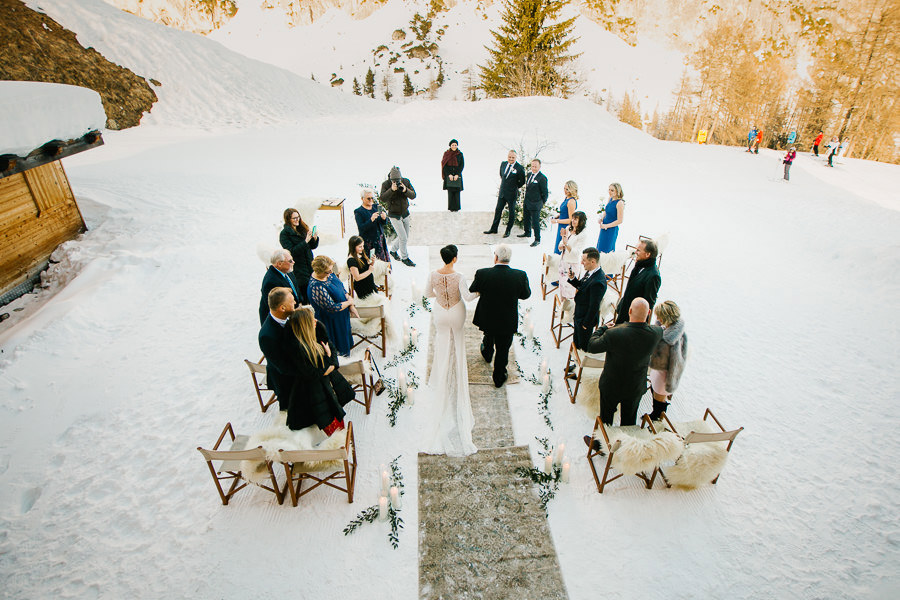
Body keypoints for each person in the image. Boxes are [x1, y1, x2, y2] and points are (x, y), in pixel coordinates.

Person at [424, 244, 479, 456]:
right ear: (454, 258)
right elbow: (468, 297)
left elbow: (428, 293)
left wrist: (440, 295)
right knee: (458, 341)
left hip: (440, 311)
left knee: (441, 342)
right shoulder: (460, 276)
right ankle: (456, 371)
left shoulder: (432, 274)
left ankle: (440, 373)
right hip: (456, 311)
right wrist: (480, 289)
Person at [585, 298, 663, 427]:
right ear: (649, 312)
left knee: (606, 419)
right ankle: (625, 444)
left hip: (611, 385)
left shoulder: (614, 333)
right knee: (629, 422)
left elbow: (592, 346)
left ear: (630, 311)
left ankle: (601, 444)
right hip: (635, 386)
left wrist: (602, 328)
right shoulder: (656, 333)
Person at [285, 307, 354, 435]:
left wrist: (331, 364)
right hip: (315, 391)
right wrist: (328, 360)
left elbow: (331, 349)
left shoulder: (317, 331)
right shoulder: (298, 349)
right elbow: (313, 373)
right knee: (330, 420)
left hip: (330, 382)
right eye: (312, 319)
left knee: (338, 411)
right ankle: (340, 446)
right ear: (305, 325)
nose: (316, 321)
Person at [470, 244, 531, 387]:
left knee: (489, 335)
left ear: (496, 257)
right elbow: (525, 295)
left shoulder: (482, 273)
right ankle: (499, 376)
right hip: (507, 320)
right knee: (503, 349)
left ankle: (487, 353)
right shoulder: (520, 275)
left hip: (488, 317)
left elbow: (473, 289)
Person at [307, 255, 357, 357]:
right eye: (327, 271)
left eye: (331, 270)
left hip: (342, 318)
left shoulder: (328, 274)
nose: (331, 273)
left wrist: (350, 303)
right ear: (318, 271)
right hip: (331, 323)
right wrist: (349, 302)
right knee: (337, 351)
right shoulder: (316, 287)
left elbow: (341, 288)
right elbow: (332, 307)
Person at [646, 300, 688, 422]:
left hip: (664, 375)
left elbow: (674, 362)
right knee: (655, 392)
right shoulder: (670, 328)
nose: (657, 318)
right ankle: (656, 413)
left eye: (659, 316)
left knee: (659, 397)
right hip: (657, 370)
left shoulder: (669, 341)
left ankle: (657, 417)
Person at [258, 287, 297, 411]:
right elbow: (283, 367)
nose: (295, 303)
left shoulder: (286, 317)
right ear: (282, 308)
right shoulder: (267, 335)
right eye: (292, 302)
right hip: (285, 382)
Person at [566, 247, 607, 353]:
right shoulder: (591, 271)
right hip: (579, 314)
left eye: (584, 260)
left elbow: (594, 305)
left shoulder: (598, 282)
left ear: (593, 261)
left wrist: (585, 324)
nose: (581, 262)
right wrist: (573, 279)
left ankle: (580, 365)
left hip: (585, 319)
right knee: (576, 341)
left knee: (583, 346)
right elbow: (583, 287)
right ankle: (575, 361)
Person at [615, 239, 661, 325]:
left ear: (647, 254)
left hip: (632, 321)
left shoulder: (653, 276)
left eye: (638, 250)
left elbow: (648, 304)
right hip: (624, 312)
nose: (635, 252)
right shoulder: (639, 265)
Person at [279, 208, 319, 304]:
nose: (297, 220)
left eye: (298, 217)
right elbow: (291, 252)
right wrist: (305, 241)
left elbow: (312, 246)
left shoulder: (302, 229)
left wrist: (314, 238)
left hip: (309, 265)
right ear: (288, 219)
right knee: (305, 294)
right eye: (294, 218)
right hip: (299, 268)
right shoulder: (284, 234)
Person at [484, 149, 526, 237]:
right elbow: (502, 175)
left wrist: (514, 187)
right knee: (498, 210)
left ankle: (508, 231)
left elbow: (522, 181)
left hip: (512, 194)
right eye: (509, 157)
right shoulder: (503, 164)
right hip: (502, 192)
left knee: (511, 213)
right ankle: (494, 229)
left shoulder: (519, 168)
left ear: (516, 158)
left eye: (513, 157)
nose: (511, 159)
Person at [380, 166, 417, 267]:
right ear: (391, 179)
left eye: (398, 180)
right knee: (403, 237)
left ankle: (393, 251)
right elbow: (382, 198)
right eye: (394, 181)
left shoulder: (406, 181)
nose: (396, 182)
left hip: (405, 213)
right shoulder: (386, 185)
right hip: (394, 215)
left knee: (405, 236)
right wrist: (391, 190)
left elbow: (413, 195)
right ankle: (405, 258)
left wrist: (405, 190)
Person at [258, 249, 300, 325]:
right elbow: (276, 308)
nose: (293, 262)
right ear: (279, 264)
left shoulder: (287, 271)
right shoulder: (271, 282)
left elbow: (296, 289)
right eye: (290, 261)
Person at [556, 211, 588, 296]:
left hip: (572, 264)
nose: (573, 221)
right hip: (563, 261)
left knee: (569, 288)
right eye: (573, 218)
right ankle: (562, 304)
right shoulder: (568, 228)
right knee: (562, 285)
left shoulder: (583, 235)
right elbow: (562, 241)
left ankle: (568, 307)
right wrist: (561, 245)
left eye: (576, 219)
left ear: (581, 221)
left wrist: (566, 244)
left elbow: (576, 252)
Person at [517, 158, 548, 247]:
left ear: (539, 167)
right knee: (526, 218)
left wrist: (541, 203)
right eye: (532, 166)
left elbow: (545, 193)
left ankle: (537, 239)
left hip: (536, 203)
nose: (533, 168)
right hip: (527, 201)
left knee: (535, 222)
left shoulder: (542, 178)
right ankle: (527, 233)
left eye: (535, 166)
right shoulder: (529, 174)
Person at [353, 187, 390, 263]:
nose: (371, 200)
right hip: (369, 242)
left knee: (382, 263)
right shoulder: (359, 212)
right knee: (371, 263)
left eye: (372, 198)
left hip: (379, 239)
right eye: (368, 198)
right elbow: (361, 228)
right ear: (362, 199)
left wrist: (384, 218)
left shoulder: (375, 207)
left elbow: (383, 223)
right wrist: (371, 220)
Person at [550, 181, 578, 255]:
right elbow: (565, 212)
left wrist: (557, 221)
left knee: (561, 248)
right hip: (561, 225)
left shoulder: (571, 202)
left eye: (567, 189)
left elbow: (570, 220)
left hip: (565, 227)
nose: (565, 191)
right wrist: (558, 216)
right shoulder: (566, 198)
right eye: (564, 188)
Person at [596, 183, 625, 253]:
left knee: (607, 249)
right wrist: (602, 218)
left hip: (611, 229)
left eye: (612, 190)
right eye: (609, 190)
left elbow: (620, 220)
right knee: (599, 248)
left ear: (617, 191)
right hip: (604, 227)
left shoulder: (620, 203)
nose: (609, 192)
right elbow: (606, 211)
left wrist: (606, 226)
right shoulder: (610, 199)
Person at [347, 235, 378, 299]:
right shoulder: (351, 260)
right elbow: (357, 277)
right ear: (353, 247)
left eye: (363, 246)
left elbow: (367, 267)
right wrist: (369, 271)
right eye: (360, 246)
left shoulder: (360, 253)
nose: (362, 248)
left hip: (370, 283)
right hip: (362, 287)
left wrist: (373, 261)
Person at [441, 139, 464, 212]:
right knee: (450, 192)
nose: (454, 146)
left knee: (457, 192)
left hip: (457, 175)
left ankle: (457, 209)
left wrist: (457, 174)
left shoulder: (460, 154)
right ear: (450, 146)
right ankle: (451, 209)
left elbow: (462, 165)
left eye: (455, 145)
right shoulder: (446, 154)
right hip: (449, 175)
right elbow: (444, 165)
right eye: (452, 145)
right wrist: (449, 175)